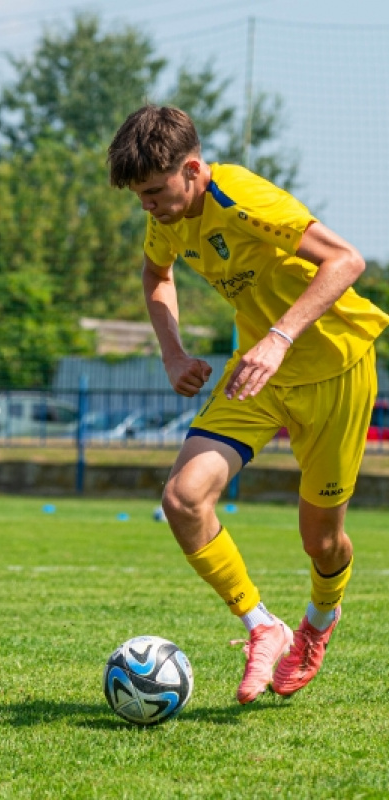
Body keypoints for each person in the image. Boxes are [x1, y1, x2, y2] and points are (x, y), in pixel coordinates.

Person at [106, 105, 389, 704]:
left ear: (193, 169)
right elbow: (156, 274)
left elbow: (346, 261)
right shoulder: (171, 214)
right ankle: (264, 626)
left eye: (155, 191)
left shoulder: (241, 198)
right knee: (183, 500)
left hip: (335, 367)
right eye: (139, 197)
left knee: (322, 542)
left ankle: (318, 621)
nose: (148, 207)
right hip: (256, 375)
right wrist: (173, 354)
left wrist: (279, 338)